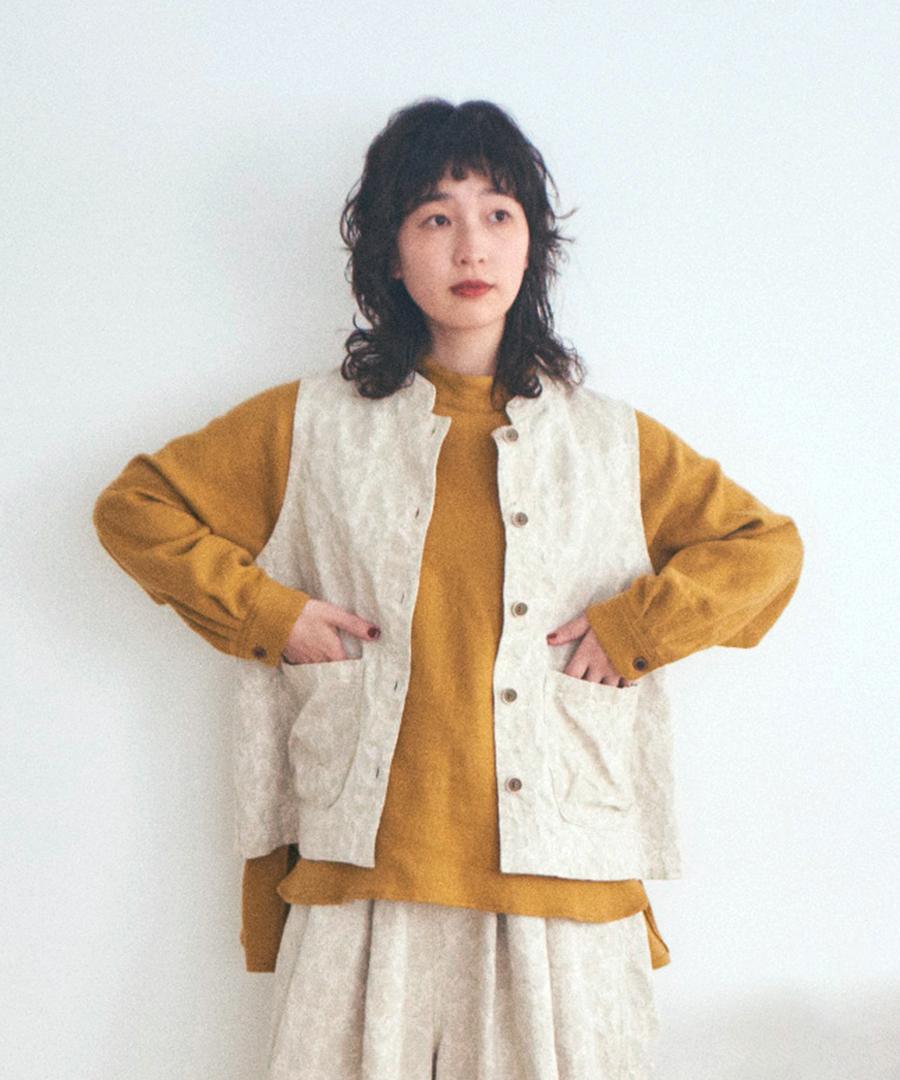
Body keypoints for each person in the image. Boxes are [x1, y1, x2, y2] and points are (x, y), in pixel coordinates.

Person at [92, 97, 804, 1079]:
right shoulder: (311, 426)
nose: (471, 244)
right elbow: (137, 509)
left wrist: (638, 627)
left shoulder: (609, 443)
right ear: (391, 254)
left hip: (564, 882)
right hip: (366, 871)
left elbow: (765, 549)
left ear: (532, 244)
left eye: (498, 213)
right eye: (435, 216)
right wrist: (267, 615)